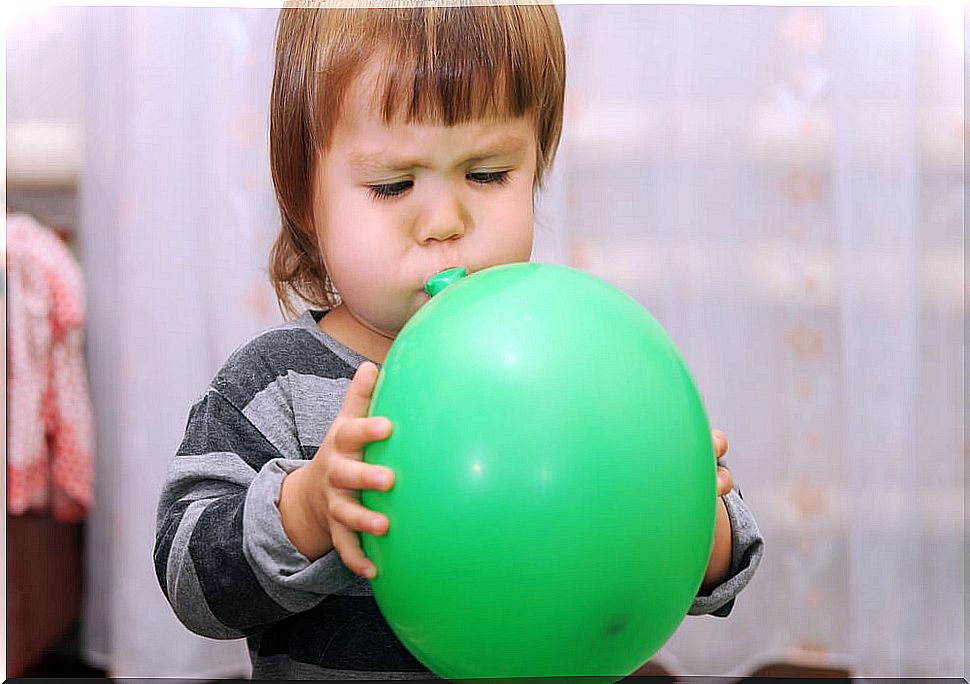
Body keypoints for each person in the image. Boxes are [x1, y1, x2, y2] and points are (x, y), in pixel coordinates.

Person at [154, 2, 764, 679]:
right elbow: (189, 580)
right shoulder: (274, 384)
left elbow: (727, 555)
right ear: (306, 195)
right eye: (393, 185)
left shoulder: (566, 360)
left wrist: (686, 514)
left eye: (487, 174)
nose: (444, 222)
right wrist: (302, 511)